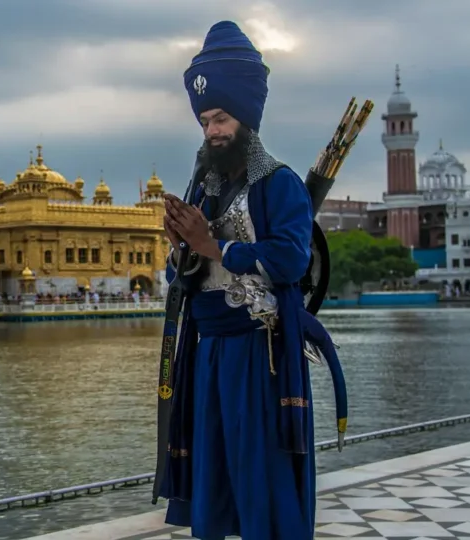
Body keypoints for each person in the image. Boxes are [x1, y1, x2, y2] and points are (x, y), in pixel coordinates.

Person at [156, 20, 346, 540]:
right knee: (214, 468)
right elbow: (187, 273)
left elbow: (289, 260)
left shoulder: (278, 183)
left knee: (259, 467)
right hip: (210, 350)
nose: (213, 131)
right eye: (205, 122)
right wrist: (180, 248)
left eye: (221, 118)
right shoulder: (206, 186)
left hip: (258, 353)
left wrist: (211, 245)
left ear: (246, 117)